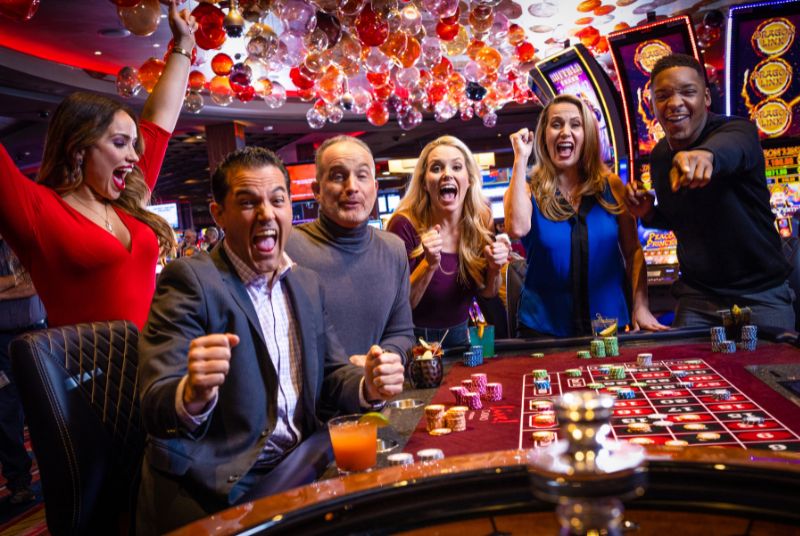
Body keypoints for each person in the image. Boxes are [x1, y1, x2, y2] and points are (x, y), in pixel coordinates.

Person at [136, 146, 405, 534]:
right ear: (219, 215)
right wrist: (191, 394)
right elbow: (154, 402)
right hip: (220, 484)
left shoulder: (306, 284)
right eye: (248, 202)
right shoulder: (190, 280)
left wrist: (368, 383)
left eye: (277, 200)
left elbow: (332, 376)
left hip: (299, 463)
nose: (266, 214)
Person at [0, 0, 194, 330]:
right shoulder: (37, 210)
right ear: (78, 149)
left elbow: (160, 120)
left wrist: (184, 45)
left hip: (154, 369)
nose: (134, 156)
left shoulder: (128, 196)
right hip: (88, 377)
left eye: (134, 144)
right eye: (120, 143)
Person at [625, 54, 794, 330]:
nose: (675, 103)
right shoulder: (659, 156)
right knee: (683, 372)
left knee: (772, 372)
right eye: (663, 95)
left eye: (687, 92)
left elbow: (730, 148)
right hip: (698, 295)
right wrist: (648, 213)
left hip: (761, 295)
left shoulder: (739, 130)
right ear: (652, 104)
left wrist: (706, 156)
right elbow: (679, 218)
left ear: (705, 97)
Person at [505, 94, 665, 337]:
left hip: (609, 325)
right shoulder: (528, 187)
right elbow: (515, 227)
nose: (565, 132)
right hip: (544, 328)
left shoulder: (611, 185)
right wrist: (520, 158)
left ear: (587, 135)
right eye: (556, 124)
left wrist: (641, 306)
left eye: (575, 125)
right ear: (544, 135)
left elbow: (633, 252)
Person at [286, 135, 414, 364]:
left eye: (362, 176)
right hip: (310, 398)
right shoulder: (288, 247)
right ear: (317, 190)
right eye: (338, 176)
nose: (352, 187)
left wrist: (382, 360)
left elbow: (402, 333)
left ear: (374, 188)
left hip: (376, 395)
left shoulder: (394, 250)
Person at [386, 136, 510, 349]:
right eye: (436, 168)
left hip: (462, 338)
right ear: (424, 182)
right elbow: (399, 307)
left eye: (456, 167)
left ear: (469, 179)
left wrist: (494, 268)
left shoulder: (480, 219)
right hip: (415, 342)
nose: (447, 175)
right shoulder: (404, 225)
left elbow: (488, 292)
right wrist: (429, 264)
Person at [0, 235, 46, 506]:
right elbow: (26, 282)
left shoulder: (26, 241)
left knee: (44, 407)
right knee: (6, 413)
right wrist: (18, 280)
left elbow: (35, 283)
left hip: (35, 335)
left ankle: (56, 471)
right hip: (1, 341)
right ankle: (19, 482)